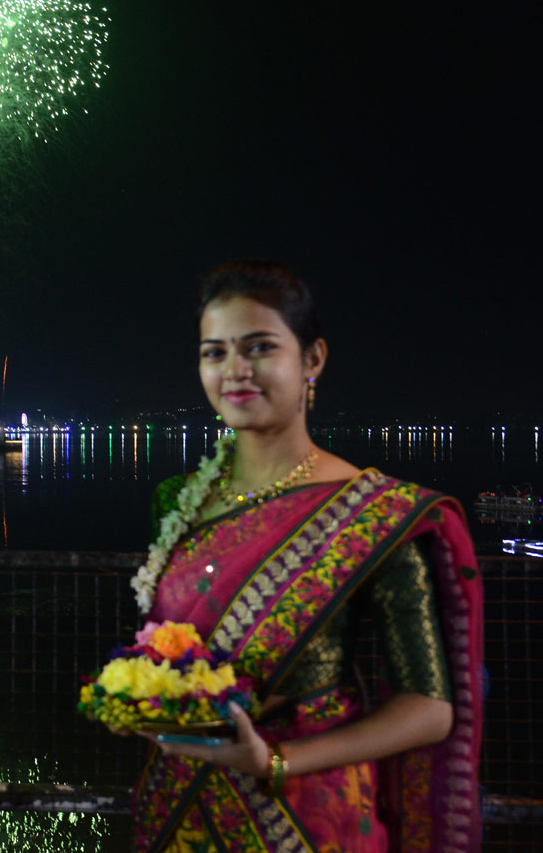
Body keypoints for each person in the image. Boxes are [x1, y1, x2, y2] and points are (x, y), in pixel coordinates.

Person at [129, 262, 483, 853]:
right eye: (215, 352)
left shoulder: (373, 513)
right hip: (179, 810)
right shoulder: (176, 501)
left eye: (260, 347)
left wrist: (275, 761)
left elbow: (429, 708)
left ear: (312, 359)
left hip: (309, 817)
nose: (235, 370)